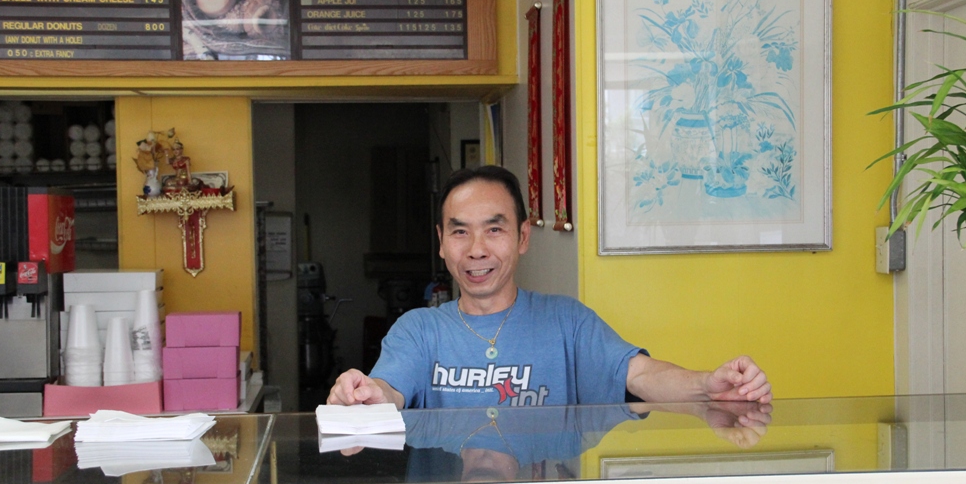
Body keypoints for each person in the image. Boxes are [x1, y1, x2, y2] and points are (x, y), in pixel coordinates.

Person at [328, 166, 771, 415]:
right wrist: (365, 395)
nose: (477, 250)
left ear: (522, 236)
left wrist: (708, 384)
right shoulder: (418, 330)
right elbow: (390, 390)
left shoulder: (567, 322)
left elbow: (640, 375)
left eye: (494, 229)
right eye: (460, 232)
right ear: (441, 241)